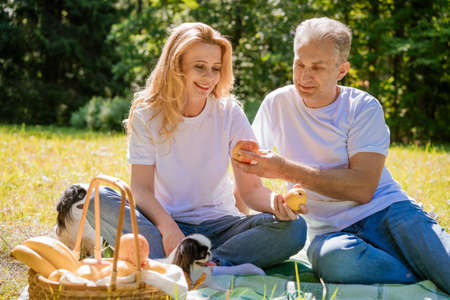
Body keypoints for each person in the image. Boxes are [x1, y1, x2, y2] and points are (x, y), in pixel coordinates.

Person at [234, 17, 450, 293]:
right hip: (331, 235)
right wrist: (250, 212)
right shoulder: (277, 104)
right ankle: (419, 274)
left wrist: (285, 169)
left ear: (341, 70)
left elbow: (363, 188)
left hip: (388, 213)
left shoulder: (363, 108)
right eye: (299, 64)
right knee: (334, 262)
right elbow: (246, 168)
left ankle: (424, 263)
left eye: (317, 68)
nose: (304, 76)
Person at [86, 22, 306, 269]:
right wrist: (169, 229)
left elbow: (251, 190)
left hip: (221, 227)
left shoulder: (229, 112)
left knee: (294, 229)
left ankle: (203, 263)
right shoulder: (146, 115)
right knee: (94, 197)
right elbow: (141, 189)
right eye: (199, 67)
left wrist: (277, 203)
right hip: (164, 225)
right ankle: (183, 260)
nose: (209, 78)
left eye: (216, 69)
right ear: (176, 66)